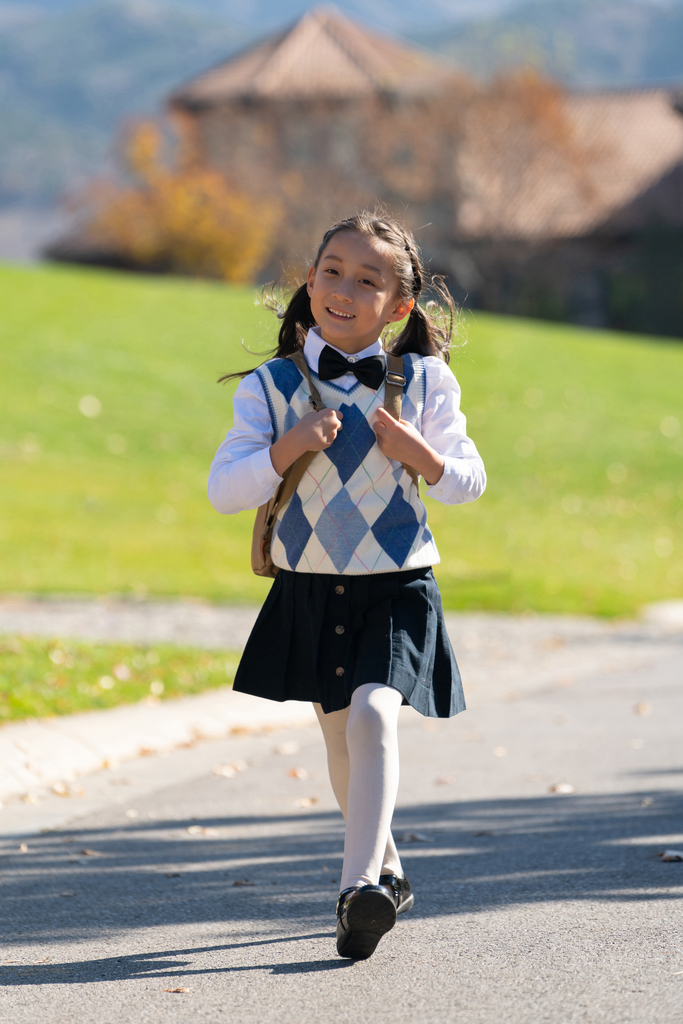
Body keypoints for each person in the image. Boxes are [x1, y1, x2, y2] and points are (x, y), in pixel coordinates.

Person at [208, 212, 486, 960]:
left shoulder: (424, 381)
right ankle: (385, 875)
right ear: (309, 280)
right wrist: (288, 445)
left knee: (372, 716)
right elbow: (224, 489)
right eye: (331, 269)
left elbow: (467, 480)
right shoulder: (271, 388)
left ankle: (355, 884)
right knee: (340, 739)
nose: (343, 288)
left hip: (398, 585)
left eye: (368, 280)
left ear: (398, 308)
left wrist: (420, 454)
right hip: (311, 589)